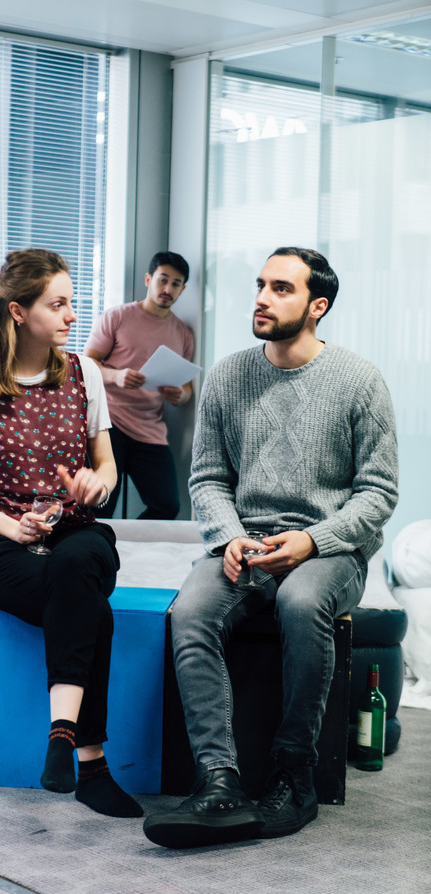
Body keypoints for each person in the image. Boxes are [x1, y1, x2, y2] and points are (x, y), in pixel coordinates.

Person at [143, 247, 399, 849]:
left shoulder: (360, 381)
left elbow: (379, 492)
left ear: (318, 306)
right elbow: (207, 479)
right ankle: (219, 779)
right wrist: (230, 538)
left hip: (329, 548)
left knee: (302, 603)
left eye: (280, 288)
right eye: (260, 284)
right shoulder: (229, 375)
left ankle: (294, 773)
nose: (261, 296)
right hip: (247, 542)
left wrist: (314, 539)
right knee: (191, 613)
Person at [0, 248, 143, 819]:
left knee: (78, 566)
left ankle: (59, 737)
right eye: (58, 305)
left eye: (71, 303)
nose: (72, 316)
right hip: (1, 544)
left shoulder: (86, 373)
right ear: (17, 312)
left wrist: (95, 487)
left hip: (79, 531)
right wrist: (15, 528)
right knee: (87, 606)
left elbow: (107, 467)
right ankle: (91, 764)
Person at [84, 251, 195, 519]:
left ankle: (132, 553)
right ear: (149, 279)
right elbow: (86, 366)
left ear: (182, 289)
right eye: (162, 280)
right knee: (101, 506)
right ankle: (104, 554)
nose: (167, 289)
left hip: (149, 430)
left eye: (176, 284)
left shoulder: (183, 333)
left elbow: (188, 388)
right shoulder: (117, 317)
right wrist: (117, 376)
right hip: (109, 423)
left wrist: (179, 395)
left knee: (167, 506)